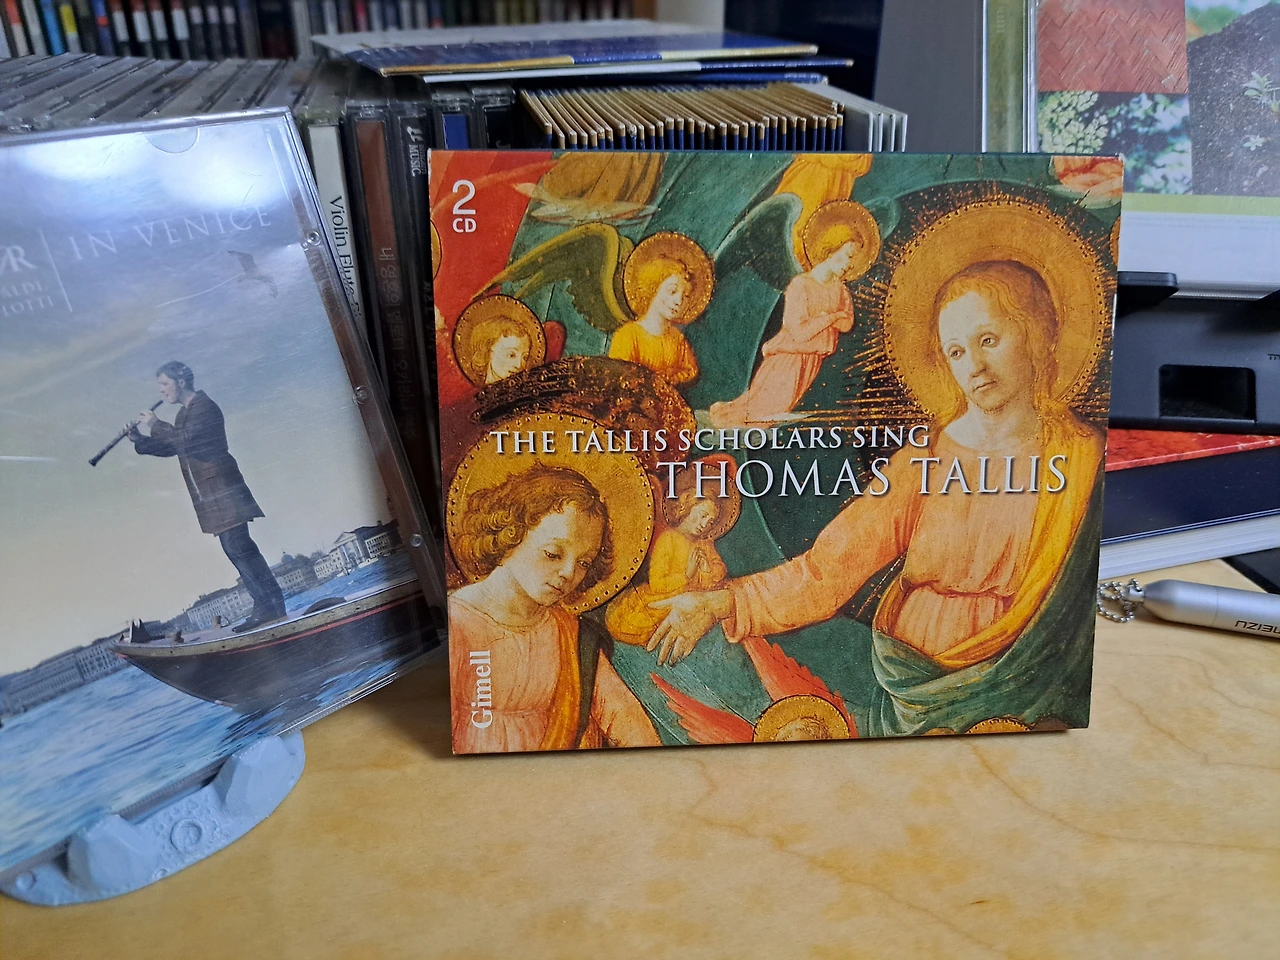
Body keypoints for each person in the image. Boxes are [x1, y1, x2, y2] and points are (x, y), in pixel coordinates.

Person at [649, 260, 1105, 735]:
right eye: (956, 351)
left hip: (1026, 682)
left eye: (989, 340)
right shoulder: (925, 458)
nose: (975, 366)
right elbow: (828, 569)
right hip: (916, 688)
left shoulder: (1084, 460)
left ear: (1035, 332)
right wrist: (720, 603)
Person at [449, 464, 662, 752]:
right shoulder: (457, 622)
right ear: (511, 533)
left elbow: (625, 718)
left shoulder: (572, 636)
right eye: (553, 554)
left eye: (584, 562)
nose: (568, 573)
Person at [129, 361, 285, 633]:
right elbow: (173, 447)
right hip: (212, 494)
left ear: (180, 382)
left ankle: (268, 607)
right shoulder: (184, 414)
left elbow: (187, 440)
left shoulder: (204, 407)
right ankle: (270, 605)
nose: (162, 391)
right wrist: (140, 440)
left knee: (239, 548)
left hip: (223, 488)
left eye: (164, 384)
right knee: (236, 549)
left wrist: (155, 424)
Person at [709, 239, 856, 427]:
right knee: (762, 414)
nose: (849, 264)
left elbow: (847, 324)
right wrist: (832, 316)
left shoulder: (840, 289)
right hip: (787, 359)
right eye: (847, 256)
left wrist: (823, 318)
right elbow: (800, 334)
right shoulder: (800, 285)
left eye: (852, 259)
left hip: (813, 360)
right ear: (828, 251)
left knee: (774, 414)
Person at [604, 481, 727, 647]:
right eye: (702, 515)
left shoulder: (705, 545)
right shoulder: (669, 539)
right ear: (688, 508)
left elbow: (715, 580)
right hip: (661, 600)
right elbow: (657, 584)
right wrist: (686, 576)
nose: (704, 524)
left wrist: (706, 570)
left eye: (710, 522)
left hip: (694, 603)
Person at [608, 258, 700, 385]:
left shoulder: (678, 340)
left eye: (686, 296)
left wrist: (671, 377)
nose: (678, 301)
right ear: (654, 288)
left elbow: (690, 371)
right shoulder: (628, 335)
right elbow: (620, 380)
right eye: (672, 291)